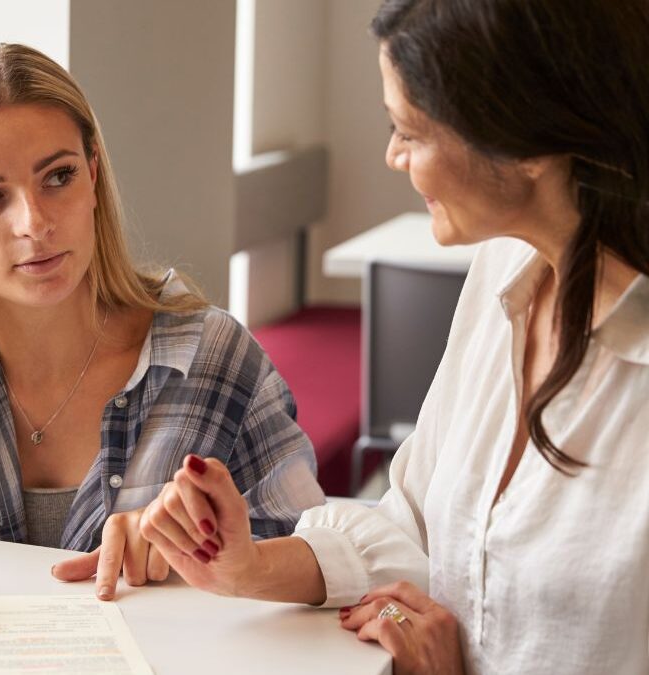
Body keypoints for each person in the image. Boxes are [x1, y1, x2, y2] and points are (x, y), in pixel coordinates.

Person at [137, 1, 649, 673]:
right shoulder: (505, 270)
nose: (392, 155)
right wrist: (249, 565)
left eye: (408, 129)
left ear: (525, 144)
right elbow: (416, 521)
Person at [0, 43, 325, 611]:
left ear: (93, 177)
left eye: (59, 177)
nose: (35, 222)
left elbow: (327, 552)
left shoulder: (212, 356)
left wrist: (229, 562)